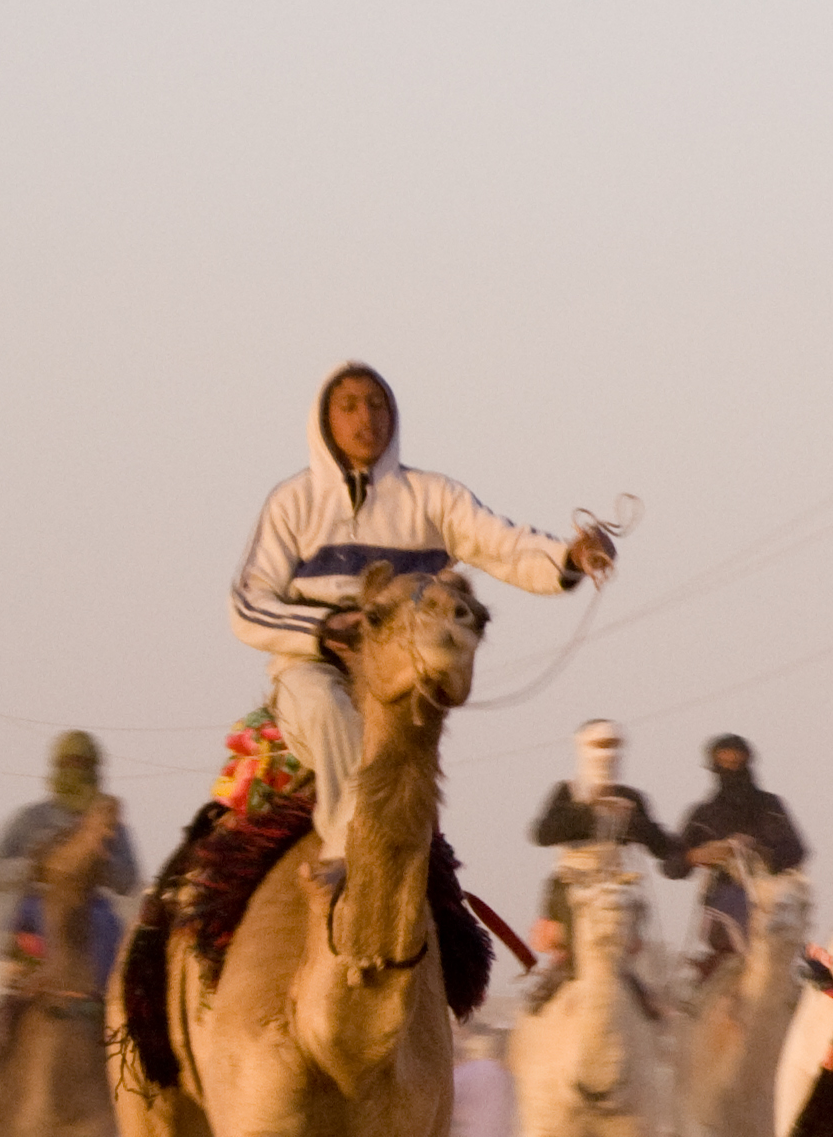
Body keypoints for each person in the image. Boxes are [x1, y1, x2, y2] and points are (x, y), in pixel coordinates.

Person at [232, 362, 614, 872]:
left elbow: (502, 545)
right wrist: (324, 632)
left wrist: (570, 557)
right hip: (316, 667)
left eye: (376, 404)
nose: (365, 417)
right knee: (325, 706)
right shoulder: (292, 503)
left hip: (399, 674)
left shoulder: (433, 497)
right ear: (324, 420)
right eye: (348, 406)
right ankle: (347, 849)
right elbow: (248, 604)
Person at [524, 719, 687, 1003]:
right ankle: (556, 982)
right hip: (571, 887)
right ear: (583, 747)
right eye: (600, 745)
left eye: (613, 745)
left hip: (618, 889)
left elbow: (662, 846)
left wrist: (633, 822)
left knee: (627, 959)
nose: (607, 752)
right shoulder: (567, 792)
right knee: (577, 952)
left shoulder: (631, 798)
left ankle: (640, 999)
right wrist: (589, 811)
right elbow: (541, 833)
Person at [0, 730, 140, 980]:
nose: (76, 770)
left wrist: (101, 866)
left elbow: (130, 879)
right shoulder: (31, 819)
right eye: (69, 763)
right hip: (38, 909)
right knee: (23, 987)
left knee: (116, 954)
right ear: (57, 767)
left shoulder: (111, 826)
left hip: (94, 913)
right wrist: (33, 866)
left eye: (84, 764)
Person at [676, 734, 809, 976]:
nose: (731, 769)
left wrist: (757, 849)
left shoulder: (771, 807)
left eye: (737, 763)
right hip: (723, 901)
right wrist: (699, 855)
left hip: (770, 900)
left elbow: (797, 851)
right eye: (725, 763)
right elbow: (673, 865)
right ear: (714, 767)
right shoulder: (702, 815)